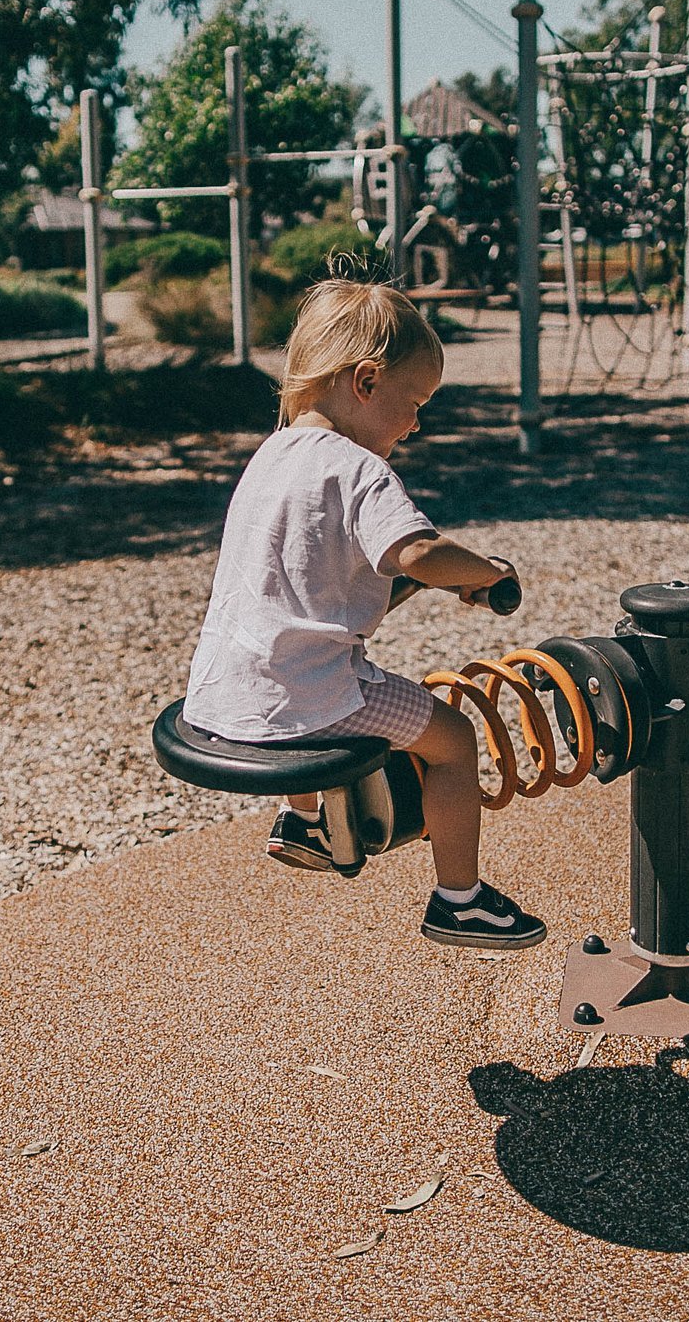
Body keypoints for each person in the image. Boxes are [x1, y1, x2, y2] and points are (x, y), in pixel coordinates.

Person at [183, 279, 545, 948]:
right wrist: (489, 572)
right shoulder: (359, 470)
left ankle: (303, 819)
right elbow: (419, 550)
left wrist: (432, 583)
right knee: (454, 739)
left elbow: (310, 580)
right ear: (367, 380)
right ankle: (459, 900)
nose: (415, 424)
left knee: (308, 660)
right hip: (310, 700)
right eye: (414, 404)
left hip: (220, 691)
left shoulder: (272, 455)